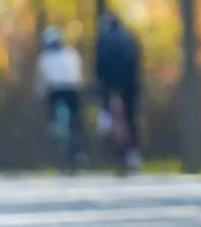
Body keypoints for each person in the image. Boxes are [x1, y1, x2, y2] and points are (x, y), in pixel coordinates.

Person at [95, 11, 143, 171]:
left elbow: (100, 65)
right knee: (130, 117)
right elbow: (137, 59)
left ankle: (121, 154)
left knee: (114, 117)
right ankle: (133, 153)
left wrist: (102, 86)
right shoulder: (129, 37)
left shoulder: (104, 40)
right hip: (131, 83)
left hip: (113, 85)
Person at [33, 26, 86, 166]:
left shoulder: (44, 57)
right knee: (76, 120)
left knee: (54, 117)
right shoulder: (71, 53)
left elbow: (40, 81)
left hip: (55, 92)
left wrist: (38, 95)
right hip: (72, 90)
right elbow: (78, 75)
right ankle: (79, 150)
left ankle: (54, 127)